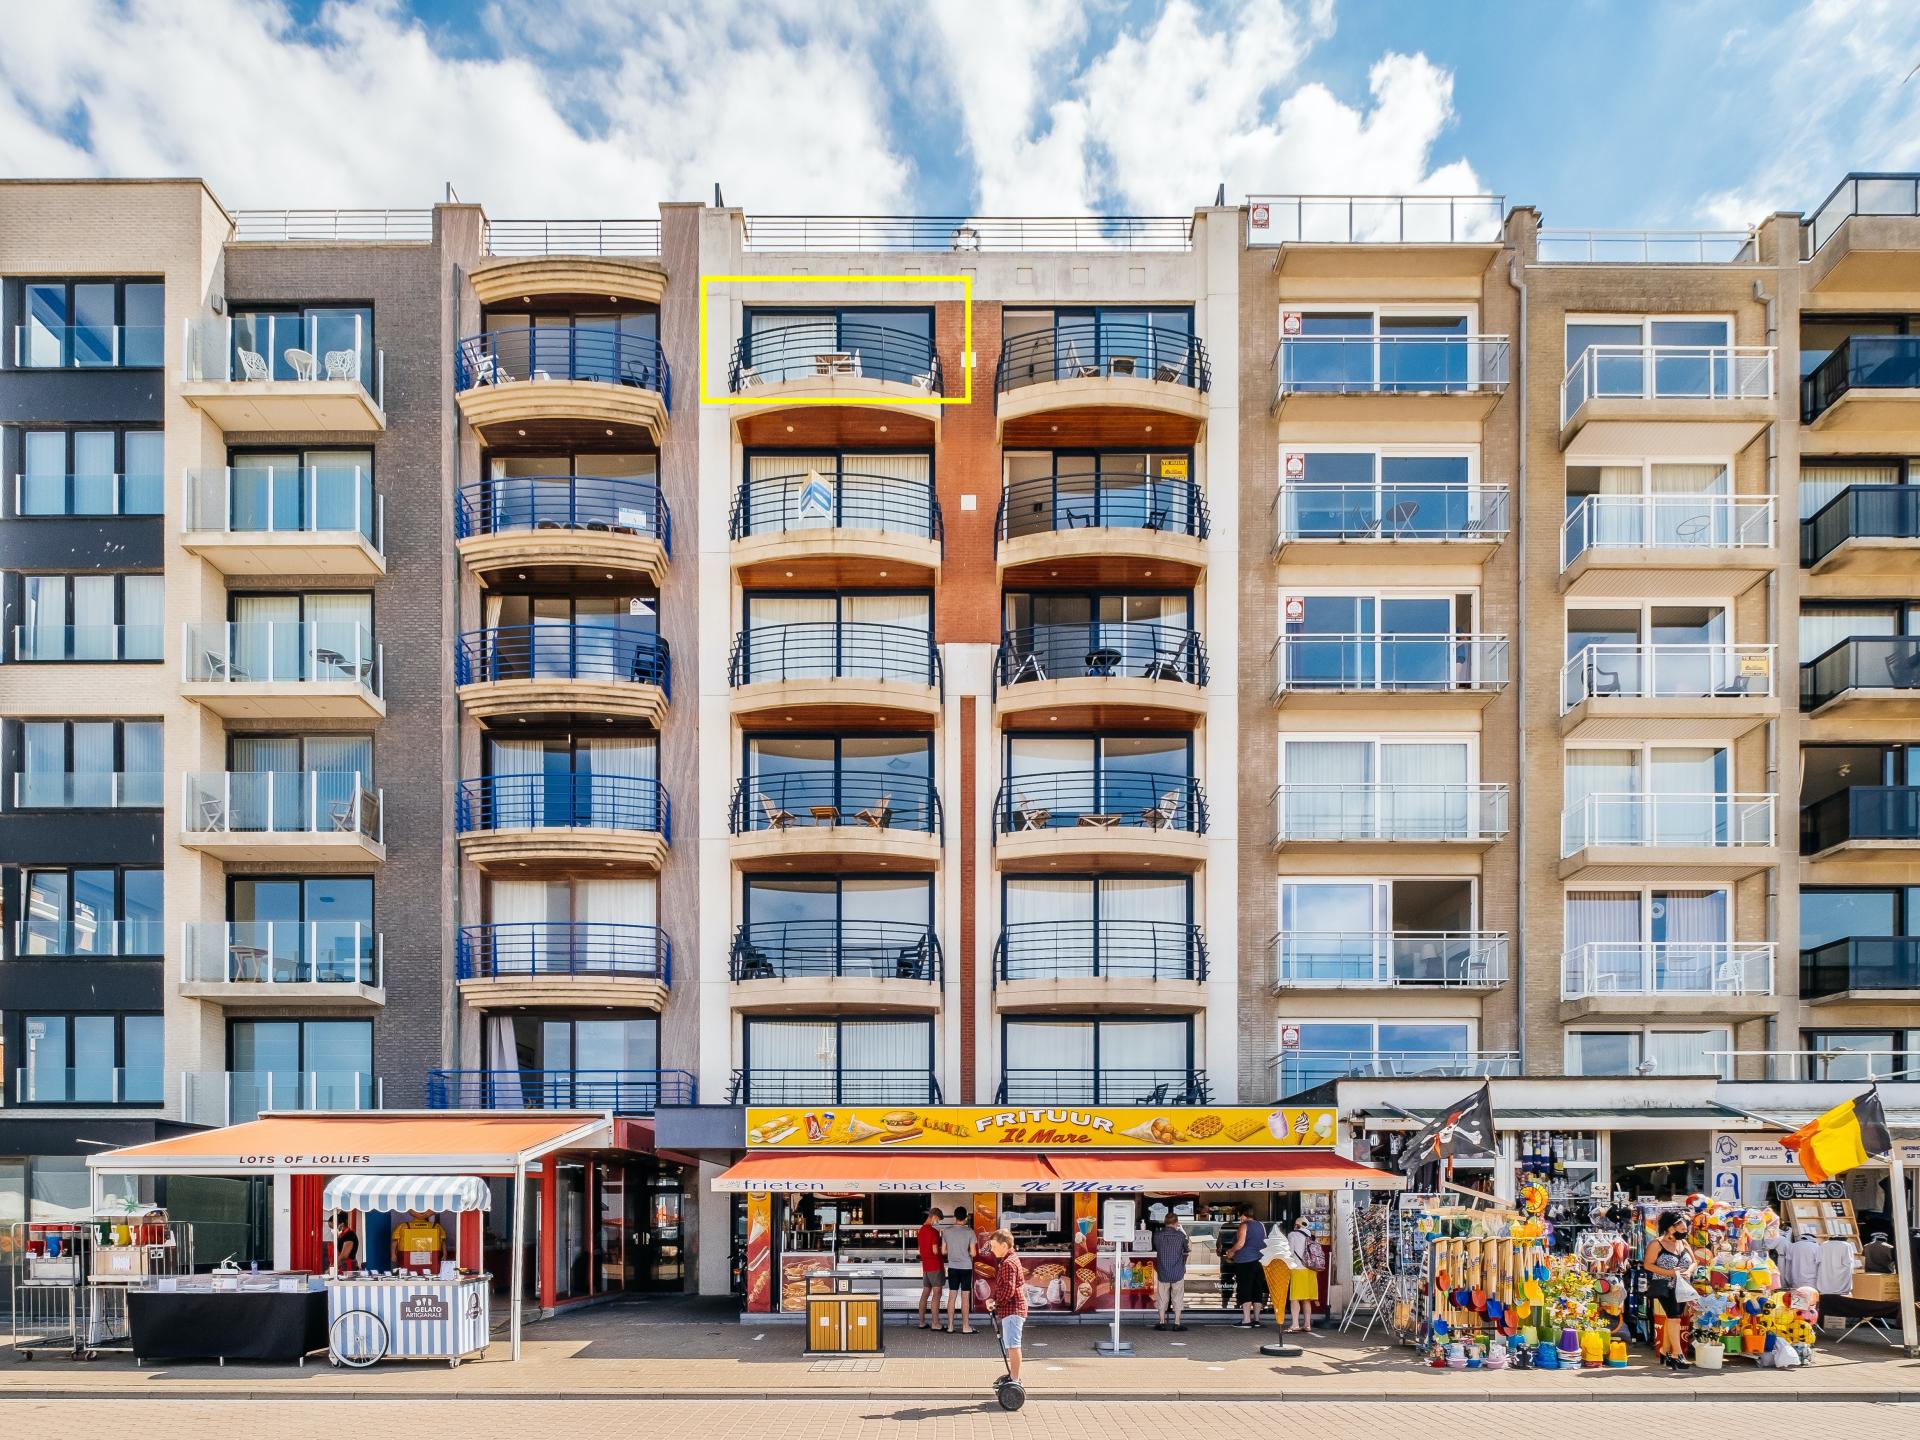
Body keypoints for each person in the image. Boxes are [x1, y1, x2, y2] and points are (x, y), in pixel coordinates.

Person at [1644, 1207, 1696, 1370]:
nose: (1683, 1229)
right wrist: (1670, 1273)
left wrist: (1689, 1271)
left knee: (1673, 1318)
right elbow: (1648, 1265)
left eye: (1684, 1226)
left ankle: (1664, 1350)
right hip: (1665, 1286)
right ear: (1669, 1227)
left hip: (1683, 1287)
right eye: (1679, 1225)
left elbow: (1695, 1262)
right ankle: (1677, 1355)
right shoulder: (1657, 1244)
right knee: (1675, 1318)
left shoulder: (1683, 1242)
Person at [984, 1230, 1027, 1389]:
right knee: (1011, 1344)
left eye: (994, 1246)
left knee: (1013, 1346)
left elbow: (1008, 1289)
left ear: (1003, 1245)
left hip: (1013, 1310)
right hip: (1013, 1309)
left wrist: (995, 1302)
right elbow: (1005, 1287)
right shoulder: (1010, 1259)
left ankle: (1015, 1379)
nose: (992, 1249)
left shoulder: (1008, 1263)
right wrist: (994, 1299)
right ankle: (1013, 1376)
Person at [1230, 1203, 1268, 1328]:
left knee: (1245, 1288)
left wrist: (1231, 1252)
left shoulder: (1244, 1225)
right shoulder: (1261, 1225)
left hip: (1245, 1261)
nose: (1239, 1217)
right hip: (1259, 1261)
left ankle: (1246, 1320)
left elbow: (1240, 1243)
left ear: (1243, 1214)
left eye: (1240, 1215)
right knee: (1257, 1289)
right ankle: (1256, 1320)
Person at [941, 1206, 977, 1334]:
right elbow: (973, 1253)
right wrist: (965, 1252)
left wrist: (953, 1251)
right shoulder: (970, 1232)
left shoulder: (946, 1231)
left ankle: (950, 1326)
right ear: (966, 1218)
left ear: (954, 1217)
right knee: (965, 1297)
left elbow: (943, 1251)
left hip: (953, 1267)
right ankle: (965, 1327)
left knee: (952, 1295)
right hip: (966, 1267)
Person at [1284, 1215, 1322, 1334]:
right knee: (1306, 1299)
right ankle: (1307, 1324)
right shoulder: (1311, 1236)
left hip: (1298, 1269)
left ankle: (1295, 1324)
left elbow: (1290, 1252)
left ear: (1297, 1225)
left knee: (1294, 1299)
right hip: (1311, 1270)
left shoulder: (1292, 1235)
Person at [1152, 1210, 1190, 1331]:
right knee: (1177, 1297)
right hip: (1177, 1271)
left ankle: (1162, 1322)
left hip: (1163, 1271)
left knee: (1162, 1297)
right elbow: (1187, 1249)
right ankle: (1177, 1323)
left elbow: (1156, 1247)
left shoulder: (1157, 1235)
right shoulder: (1180, 1236)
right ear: (1176, 1223)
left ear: (1165, 1222)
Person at [916, 1206, 945, 1329]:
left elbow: (920, 1249)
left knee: (925, 1293)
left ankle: (921, 1322)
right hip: (935, 1265)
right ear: (934, 1217)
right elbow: (935, 1251)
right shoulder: (933, 1232)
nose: (937, 1222)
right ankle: (935, 1323)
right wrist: (944, 1250)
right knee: (937, 1294)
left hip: (926, 1266)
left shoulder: (921, 1230)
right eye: (938, 1219)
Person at [1782, 1225, 1822, 1291]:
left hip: (1796, 1282)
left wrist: (1789, 1281)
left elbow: (1788, 1266)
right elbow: (1820, 1266)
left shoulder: (1791, 1246)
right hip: (1812, 1282)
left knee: (1798, 1297)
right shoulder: (1816, 1247)